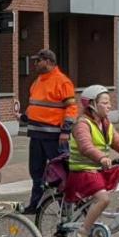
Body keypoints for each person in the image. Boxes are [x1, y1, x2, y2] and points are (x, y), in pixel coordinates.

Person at [66, 85, 119, 237]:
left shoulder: (105, 124)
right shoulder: (82, 124)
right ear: (92, 104)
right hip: (83, 170)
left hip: (100, 168)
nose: (109, 106)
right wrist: (101, 157)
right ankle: (83, 231)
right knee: (103, 199)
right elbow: (86, 147)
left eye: (109, 102)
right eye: (105, 103)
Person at [21, 49, 78, 214]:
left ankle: (65, 208)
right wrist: (25, 117)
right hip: (36, 135)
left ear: (47, 61)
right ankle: (35, 205)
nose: (35, 64)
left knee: (60, 173)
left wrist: (66, 131)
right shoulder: (38, 81)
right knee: (36, 172)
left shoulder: (62, 82)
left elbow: (71, 109)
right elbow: (35, 105)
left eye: (37, 61)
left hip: (55, 137)